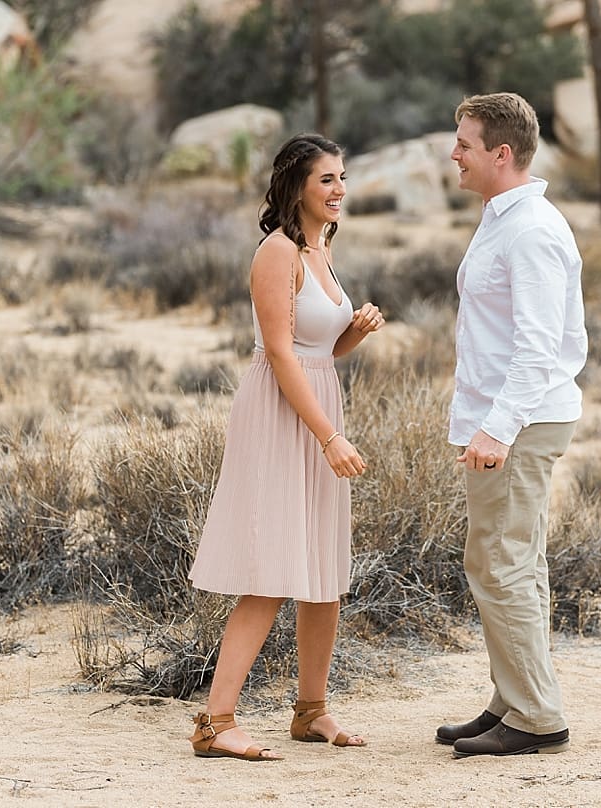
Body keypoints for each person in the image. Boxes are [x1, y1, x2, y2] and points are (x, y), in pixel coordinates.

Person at [188, 133, 383, 762]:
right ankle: (215, 723)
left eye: (343, 178)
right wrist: (328, 434)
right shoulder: (277, 252)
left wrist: (353, 333)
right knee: (272, 568)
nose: (339, 190)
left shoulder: (321, 250)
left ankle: (311, 711)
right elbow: (278, 353)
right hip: (281, 416)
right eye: (327, 179)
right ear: (297, 184)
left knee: (324, 567)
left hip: (317, 400)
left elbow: (317, 352)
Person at [434, 93, 588, 758]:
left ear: (501, 153)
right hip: (507, 418)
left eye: (464, 143)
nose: (453, 154)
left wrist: (497, 430)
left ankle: (535, 714)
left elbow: (537, 348)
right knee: (509, 562)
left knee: (500, 564)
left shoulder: (530, 230)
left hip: (520, 422)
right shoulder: (503, 219)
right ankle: (514, 697)